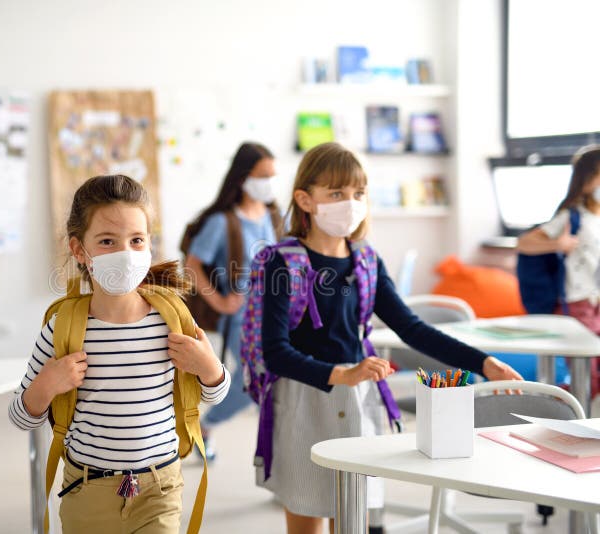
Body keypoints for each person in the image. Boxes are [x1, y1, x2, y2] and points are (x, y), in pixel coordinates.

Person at [259, 142, 522, 534]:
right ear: (305, 199)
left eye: (358, 194)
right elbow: (275, 353)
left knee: (354, 516)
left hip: (360, 397)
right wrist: (340, 374)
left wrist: (484, 363)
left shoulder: (366, 259)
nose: (350, 203)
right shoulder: (282, 262)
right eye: (336, 194)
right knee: (307, 512)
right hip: (304, 400)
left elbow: (412, 327)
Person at [8, 174, 230, 533]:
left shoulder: (171, 320)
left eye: (136, 240)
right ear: (79, 250)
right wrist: (46, 385)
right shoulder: (63, 328)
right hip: (87, 490)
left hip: (160, 488)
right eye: (108, 241)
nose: (125, 253)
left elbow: (216, 392)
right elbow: (21, 416)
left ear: (150, 245)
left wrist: (208, 367)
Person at [183, 141, 281, 459]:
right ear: (242, 177)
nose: (268, 183)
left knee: (270, 379)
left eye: (272, 175)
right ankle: (207, 423)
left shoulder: (273, 215)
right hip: (242, 318)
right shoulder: (222, 222)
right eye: (262, 175)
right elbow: (192, 265)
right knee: (258, 379)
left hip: (277, 314)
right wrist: (222, 302)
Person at [518, 145, 600, 395]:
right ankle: (551, 404)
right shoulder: (571, 216)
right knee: (589, 376)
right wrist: (559, 244)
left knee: (593, 377)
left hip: (596, 302)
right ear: (587, 179)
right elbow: (524, 242)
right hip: (577, 303)